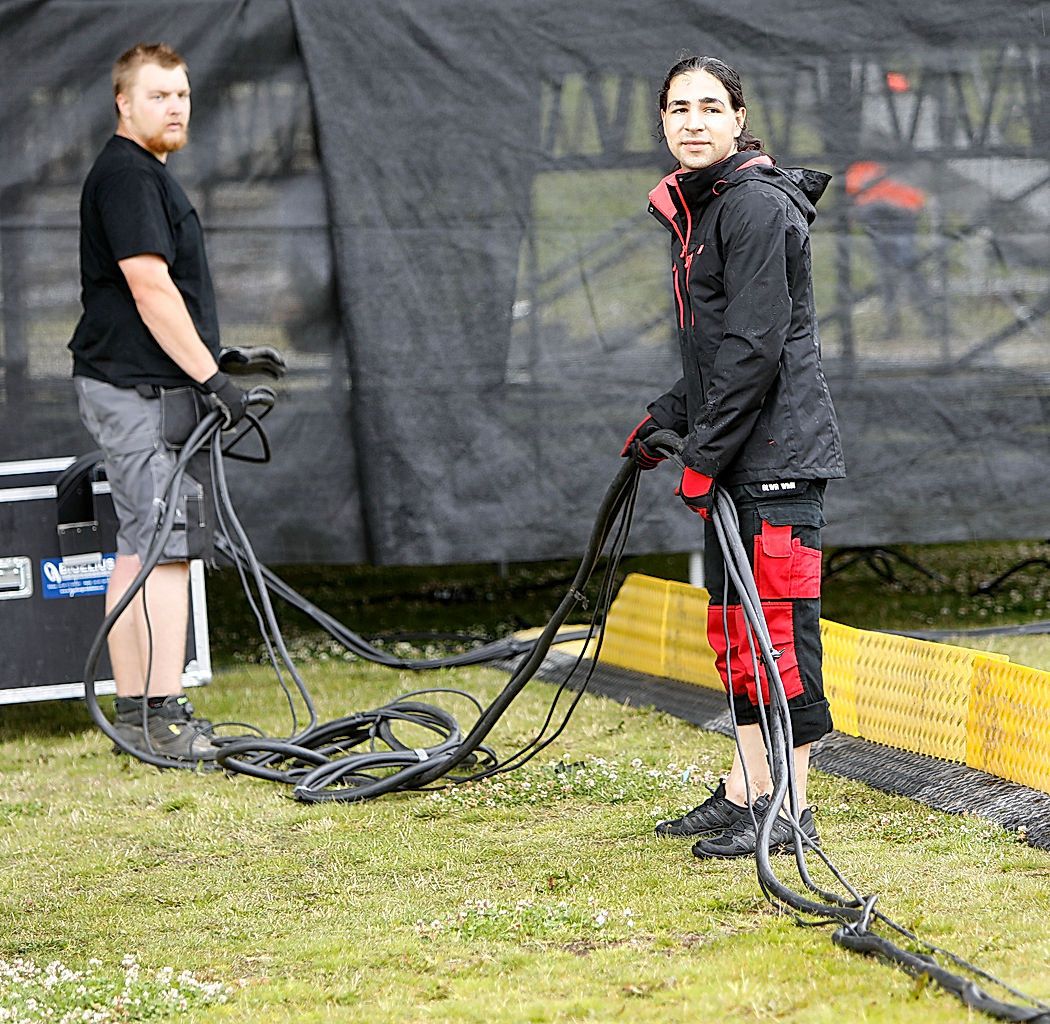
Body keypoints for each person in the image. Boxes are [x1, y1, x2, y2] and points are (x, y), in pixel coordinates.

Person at [621, 55, 846, 859]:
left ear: (739, 118)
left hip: (777, 459)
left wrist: (704, 456)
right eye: (678, 107)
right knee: (734, 632)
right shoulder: (706, 208)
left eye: (710, 107)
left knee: (778, 633)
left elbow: (757, 347)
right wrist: (667, 417)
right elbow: (716, 353)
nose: (692, 121)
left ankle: (790, 810)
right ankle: (749, 789)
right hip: (739, 460)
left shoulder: (752, 206)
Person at [69, 42, 248, 760]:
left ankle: (145, 713)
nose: (174, 107)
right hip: (131, 390)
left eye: (181, 95)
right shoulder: (127, 176)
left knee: (149, 543)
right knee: (162, 548)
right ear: (124, 102)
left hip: (146, 386)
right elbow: (149, 287)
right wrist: (214, 379)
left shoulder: (141, 174)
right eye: (158, 95)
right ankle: (154, 715)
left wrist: (210, 368)